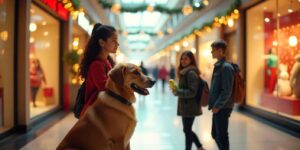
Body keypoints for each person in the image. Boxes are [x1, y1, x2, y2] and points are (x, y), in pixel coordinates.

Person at [79, 23, 119, 116]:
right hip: (94, 114)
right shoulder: (97, 65)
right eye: (114, 40)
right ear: (102, 42)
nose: (117, 44)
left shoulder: (106, 61)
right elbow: (106, 89)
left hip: (100, 111)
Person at [170, 50, 205, 150]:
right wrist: (177, 90)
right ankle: (199, 147)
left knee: (187, 130)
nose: (182, 61)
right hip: (186, 106)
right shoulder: (185, 72)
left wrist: (178, 92)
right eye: (181, 59)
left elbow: (192, 92)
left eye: (185, 59)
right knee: (187, 130)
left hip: (190, 106)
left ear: (191, 60)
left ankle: (199, 146)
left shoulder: (190, 73)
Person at [209, 40, 234, 150]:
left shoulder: (226, 68)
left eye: (213, 50)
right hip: (218, 107)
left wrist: (217, 105)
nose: (211, 52)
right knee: (215, 134)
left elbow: (227, 90)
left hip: (223, 107)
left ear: (220, 51)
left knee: (222, 136)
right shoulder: (219, 66)